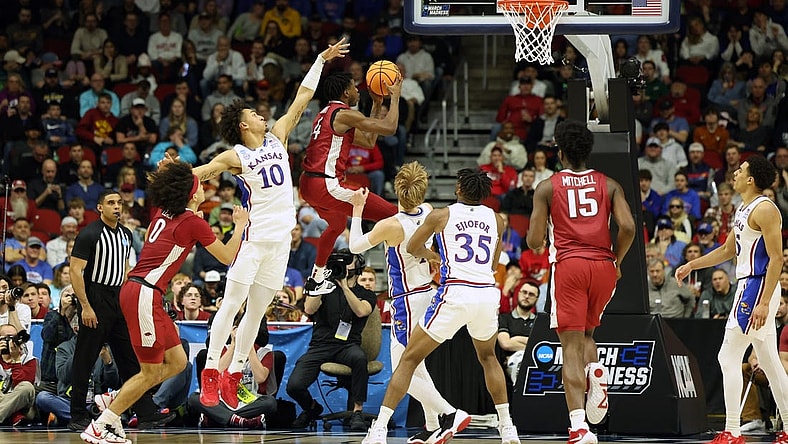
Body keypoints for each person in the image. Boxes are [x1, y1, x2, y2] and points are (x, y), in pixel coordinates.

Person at [165, 39, 349, 410]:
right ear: (243, 123)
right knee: (231, 305)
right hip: (253, 239)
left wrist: (318, 60)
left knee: (256, 312)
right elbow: (202, 172)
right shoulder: (237, 154)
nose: (264, 115)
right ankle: (211, 371)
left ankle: (234, 372)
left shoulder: (278, 136)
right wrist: (174, 173)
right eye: (256, 113)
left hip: (281, 242)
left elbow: (301, 99)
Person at [81, 161, 249, 443]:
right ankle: (103, 424)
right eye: (199, 185)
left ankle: (115, 397)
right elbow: (227, 257)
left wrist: (171, 170)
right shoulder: (194, 222)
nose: (202, 186)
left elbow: (152, 232)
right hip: (144, 293)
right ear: (192, 194)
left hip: (145, 292)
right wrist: (240, 226)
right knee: (149, 372)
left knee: (177, 361)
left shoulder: (163, 212)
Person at [362, 168, 520, 444]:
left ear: (459, 189)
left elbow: (411, 247)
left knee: (409, 359)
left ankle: (380, 429)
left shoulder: (441, 215)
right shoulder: (497, 219)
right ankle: (507, 427)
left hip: (455, 294)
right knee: (488, 358)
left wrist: (434, 256)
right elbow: (494, 265)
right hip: (485, 295)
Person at [526, 119, 636, 444]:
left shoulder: (547, 187)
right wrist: (618, 260)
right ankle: (595, 371)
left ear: (559, 152)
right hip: (603, 265)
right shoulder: (610, 184)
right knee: (588, 335)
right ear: (588, 150)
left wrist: (542, 235)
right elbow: (628, 227)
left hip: (570, 266)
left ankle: (579, 427)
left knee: (569, 347)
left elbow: (533, 242)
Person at [348, 162, 467, 443]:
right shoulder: (427, 211)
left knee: (402, 369)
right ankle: (431, 425)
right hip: (427, 293)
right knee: (417, 366)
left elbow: (354, 246)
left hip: (406, 300)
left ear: (397, 191)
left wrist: (356, 210)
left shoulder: (390, 225)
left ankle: (450, 413)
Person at [675, 155, 788, 444]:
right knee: (770, 361)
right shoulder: (743, 208)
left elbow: (776, 259)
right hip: (750, 286)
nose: (735, 173)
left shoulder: (765, 209)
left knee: (727, 357)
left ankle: (733, 430)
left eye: (740, 171)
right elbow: (727, 251)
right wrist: (692, 265)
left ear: (751, 180)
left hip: (756, 287)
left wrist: (763, 303)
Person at [67, 191, 171, 433]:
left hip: (118, 298)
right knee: (85, 359)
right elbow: (75, 271)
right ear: (100, 208)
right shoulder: (90, 233)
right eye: (111, 203)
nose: (116, 207)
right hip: (95, 297)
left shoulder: (126, 234)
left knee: (130, 358)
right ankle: (77, 415)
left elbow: (125, 268)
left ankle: (145, 412)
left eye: (119, 203)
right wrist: (85, 306)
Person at [299, 71, 402, 297]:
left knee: (336, 226)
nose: (358, 91)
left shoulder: (326, 114)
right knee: (394, 216)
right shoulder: (344, 114)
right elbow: (389, 128)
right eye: (355, 87)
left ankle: (316, 278)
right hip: (326, 185)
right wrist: (395, 97)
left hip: (309, 185)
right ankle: (403, 272)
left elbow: (368, 140)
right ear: (346, 92)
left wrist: (377, 104)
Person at [286, 250, 377, 432]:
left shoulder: (365, 293)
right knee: (294, 386)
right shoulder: (324, 287)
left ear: (356, 265)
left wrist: (344, 286)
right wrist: (319, 284)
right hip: (321, 345)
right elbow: (309, 309)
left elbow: (361, 311)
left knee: (359, 358)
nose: (342, 266)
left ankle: (357, 412)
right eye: (338, 262)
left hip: (347, 345)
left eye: (347, 262)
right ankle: (312, 408)